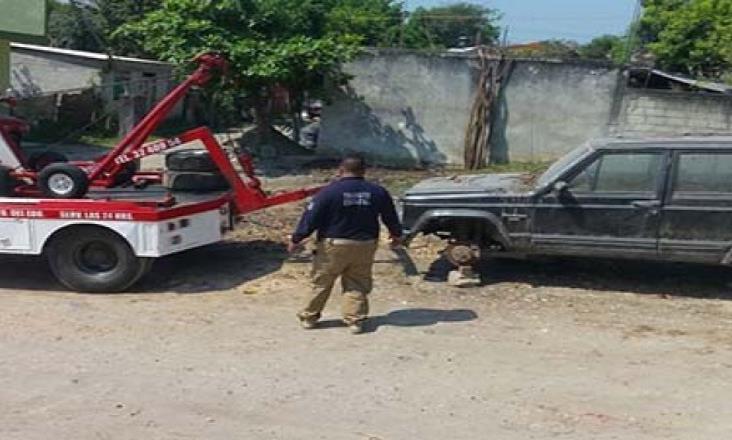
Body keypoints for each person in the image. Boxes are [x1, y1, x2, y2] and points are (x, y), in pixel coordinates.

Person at [288, 154, 403, 334]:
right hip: (365, 245)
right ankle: (355, 321)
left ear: (340, 171)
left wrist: (296, 239)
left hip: (333, 245)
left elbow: (311, 218)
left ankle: (309, 317)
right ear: (363, 171)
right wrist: (396, 235)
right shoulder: (378, 191)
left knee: (321, 281)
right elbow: (391, 217)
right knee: (357, 283)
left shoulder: (328, 192)